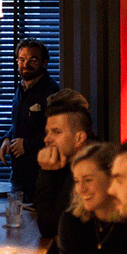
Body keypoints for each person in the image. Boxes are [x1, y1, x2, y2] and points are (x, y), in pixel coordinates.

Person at [58, 142, 127, 254]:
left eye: (88, 180)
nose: (80, 189)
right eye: (76, 181)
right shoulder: (70, 221)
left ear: (112, 178)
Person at [0, 37, 59, 202]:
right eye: (22, 59)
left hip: (40, 176)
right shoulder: (21, 88)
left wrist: (27, 144)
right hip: (18, 175)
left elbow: (57, 133)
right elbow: (18, 122)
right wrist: (7, 138)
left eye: (33, 60)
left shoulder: (52, 91)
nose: (25, 64)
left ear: (44, 62)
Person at [33, 88, 93, 238]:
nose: (47, 139)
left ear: (80, 138)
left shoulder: (88, 169)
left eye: (56, 132)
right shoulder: (66, 160)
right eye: (47, 132)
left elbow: (48, 227)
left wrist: (47, 172)